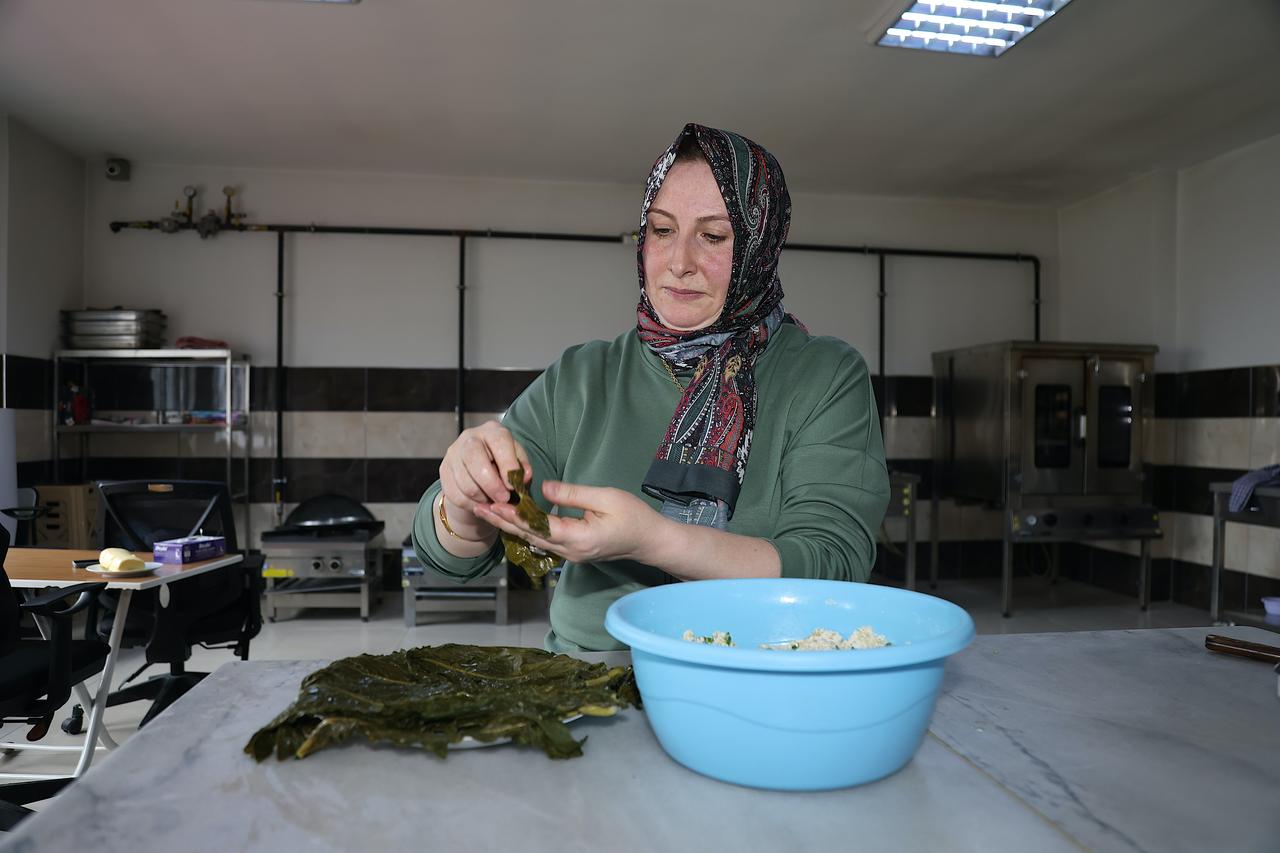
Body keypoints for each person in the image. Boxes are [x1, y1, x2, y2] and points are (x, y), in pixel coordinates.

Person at [412, 123, 890, 652]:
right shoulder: (583, 376)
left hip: (755, 683)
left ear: (761, 245)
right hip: (586, 687)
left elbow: (833, 566)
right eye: (662, 230)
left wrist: (655, 540)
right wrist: (461, 497)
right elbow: (456, 558)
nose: (679, 262)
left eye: (712, 236)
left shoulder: (822, 374)